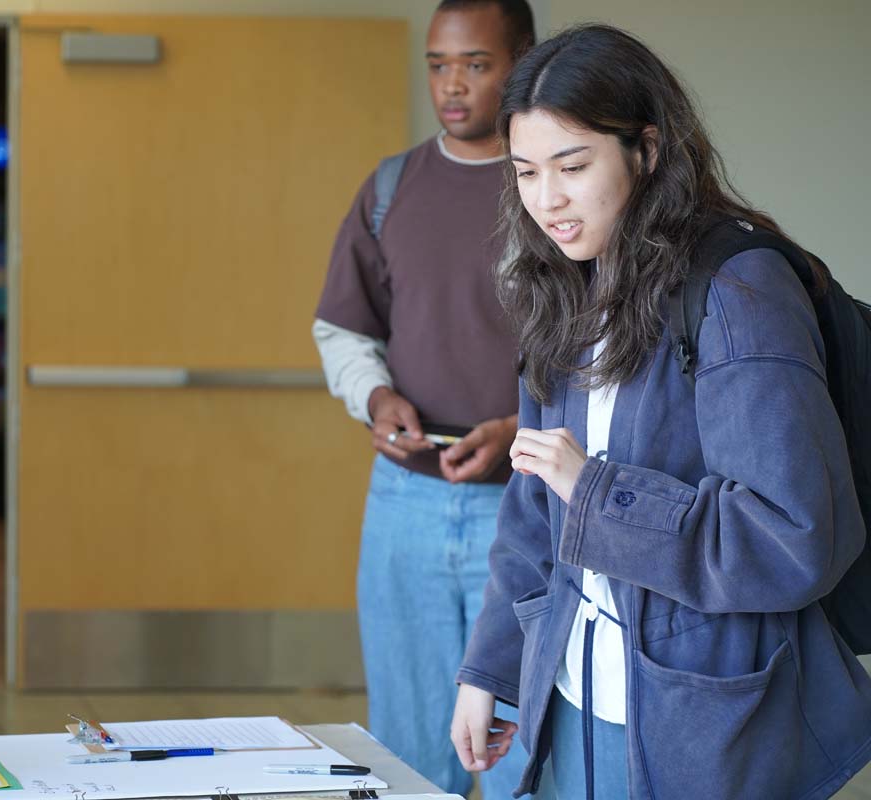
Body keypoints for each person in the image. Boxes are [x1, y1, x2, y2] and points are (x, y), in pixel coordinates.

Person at [449, 24, 871, 799]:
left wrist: (600, 491)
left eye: (573, 166)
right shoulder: (565, 282)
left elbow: (792, 536)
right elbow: (535, 504)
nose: (548, 200)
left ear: (645, 150)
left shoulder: (741, 291)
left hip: (704, 721)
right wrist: (491, 668)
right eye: (527, 172)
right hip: (570, 693)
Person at [312, 0, 535, 794]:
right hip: (403, 500)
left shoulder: (556, 190)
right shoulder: (391, 187)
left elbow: (606, 355)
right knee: (404, 753)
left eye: (476, 63)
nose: (453, 84)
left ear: (522, 64)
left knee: (520, 751)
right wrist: (375, 398)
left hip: (528, 503)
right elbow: (342, 330)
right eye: (439, 64)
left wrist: (523, 430)